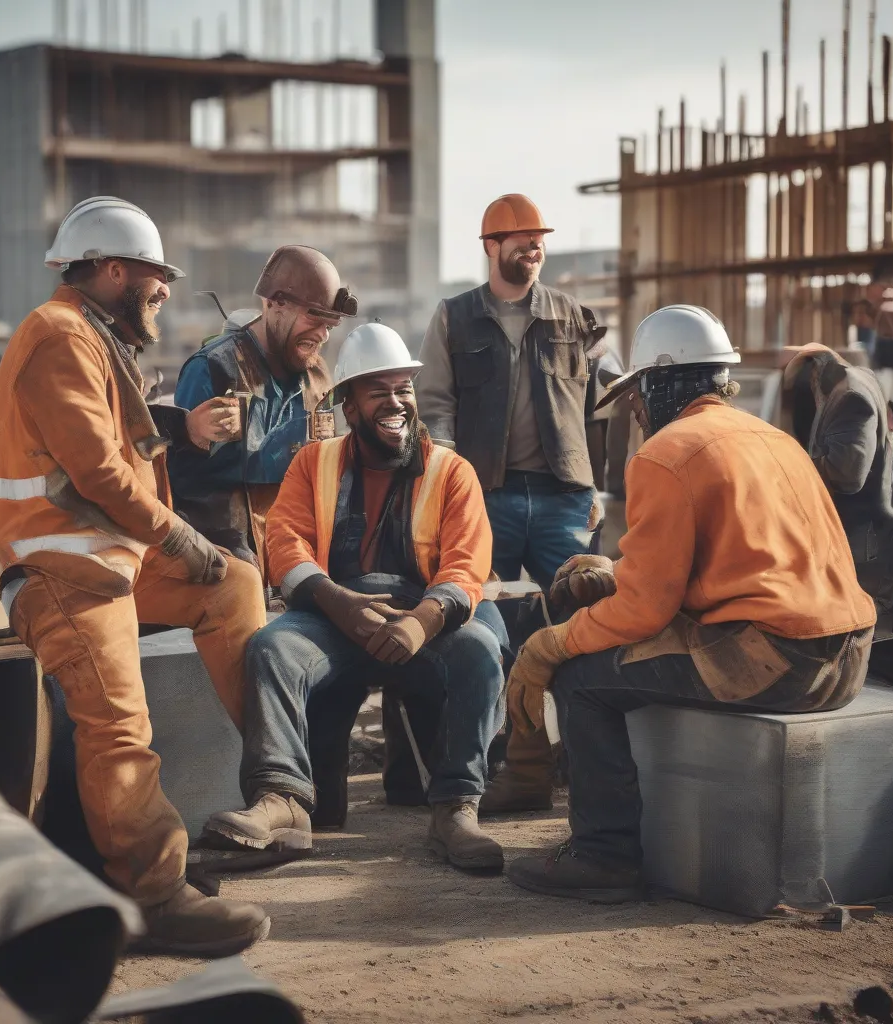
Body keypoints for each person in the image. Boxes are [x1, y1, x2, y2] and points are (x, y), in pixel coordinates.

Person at [505, 304, 877, 901]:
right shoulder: (772, 439)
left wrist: (555, 641)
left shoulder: (666, 453)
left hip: (777, 662)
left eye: (637, 396)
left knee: (580, 678)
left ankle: (602, 857)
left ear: (658, 383)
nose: (636, 409)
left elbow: (644, 613)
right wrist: (620, 569)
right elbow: (736, 560)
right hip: (850, 659)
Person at [0, 196, 269, 956]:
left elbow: (124, 432)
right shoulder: (58, 336)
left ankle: (274, 782)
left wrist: (179, 427)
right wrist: (181, 537)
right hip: (61, 572)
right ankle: (151, 896)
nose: (165, 290)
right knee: (119, 728)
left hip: (108, 564)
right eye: (154, 276)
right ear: (112, 271)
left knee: (234, 586)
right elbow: (101, 470)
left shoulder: (96, 340)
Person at [200, 323, 508, 871]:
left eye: (404, 390)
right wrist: (339, 603)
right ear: (347, 404)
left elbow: (467, 563)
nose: (396, 403)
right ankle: (282, 800)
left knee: (482, 650)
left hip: (421, 617)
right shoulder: (311, 464)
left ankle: (457, 807)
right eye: (378, 392)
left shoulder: (450, 471)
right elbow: (285, 545)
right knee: (273, 647)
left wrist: (422, 622)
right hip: (333, 615)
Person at [416, 193, 609, 815]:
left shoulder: (575, 319)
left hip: (561, 498)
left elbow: (601, 412)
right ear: (490, 247)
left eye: (538, 237)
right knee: (483, 626)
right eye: (520, 237)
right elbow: (436, 404)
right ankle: (496, 765)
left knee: (584, 621)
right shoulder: (454, 318)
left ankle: (584, 764)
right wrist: (449, 483)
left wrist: (595, 486)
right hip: (486, 497)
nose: (533, 246)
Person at [168, 247, 357, 575]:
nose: (323, 334)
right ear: (273, 303)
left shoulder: (318, 376)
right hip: (230, 566)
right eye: (314, 316)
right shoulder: (214, 368)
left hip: (303, 556)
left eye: (330, 324)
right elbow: (179, 482)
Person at [779, 343, 893, 624]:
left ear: (813, 372)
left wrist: (786, 466)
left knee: (862, 644)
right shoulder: (854, 380)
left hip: (868, 554)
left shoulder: (850, 396)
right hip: (868, 547)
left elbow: (847, 474)